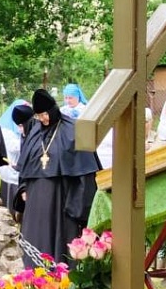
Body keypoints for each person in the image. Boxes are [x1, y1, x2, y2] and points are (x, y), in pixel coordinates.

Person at [15, 89, 102, 266]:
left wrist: (77, 204)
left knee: (58, 242)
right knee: (35, 241)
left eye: (45, 114)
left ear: (53, 110)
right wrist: (23, 188)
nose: (43, 119)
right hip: (35, 203)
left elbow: (84, 171)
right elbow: (25, 166)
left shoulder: (72, 130)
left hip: (61, 200)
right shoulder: (34, 133)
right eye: (38, 116)